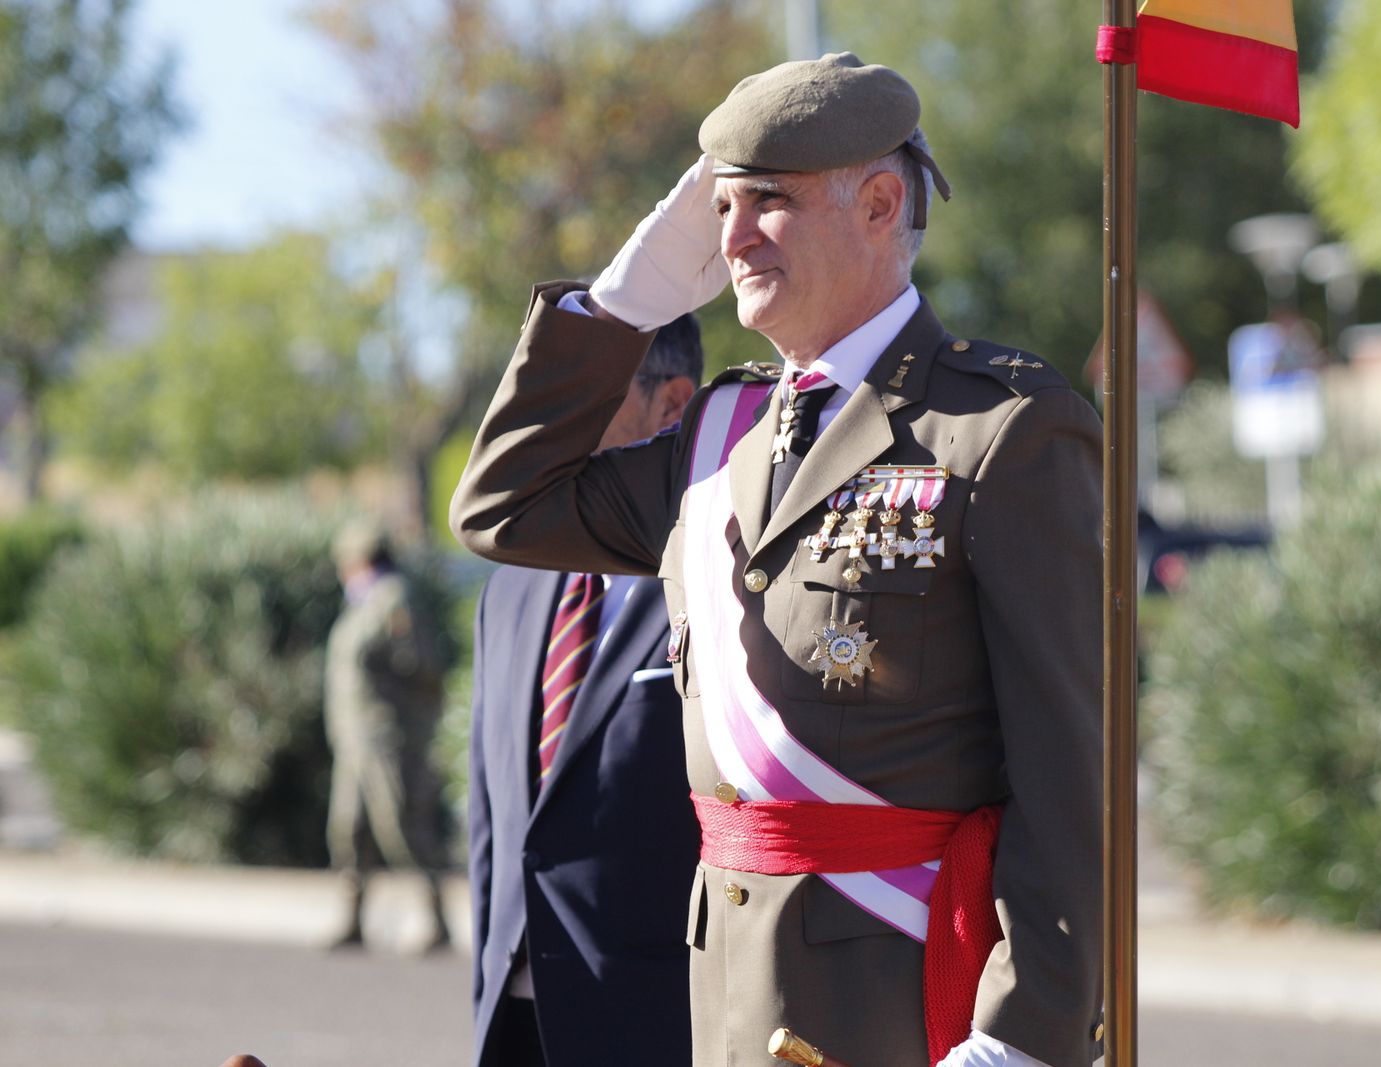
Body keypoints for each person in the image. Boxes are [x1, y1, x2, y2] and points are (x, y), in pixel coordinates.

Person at [451, 52, 1104, 1067]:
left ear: (881, 202)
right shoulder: (721, 433)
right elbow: (504, 506)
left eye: (770, 201)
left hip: (902, 996)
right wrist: (622, 302)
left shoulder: (998, 429)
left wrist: (1020, 1038)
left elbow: (1070, 773)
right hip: (723, 1001)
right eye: (720, 207)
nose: (734, 236)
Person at [469, 315, 704, 1067]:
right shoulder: (508, 588)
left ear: (672, 404)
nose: (551, 422)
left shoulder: (721, 576)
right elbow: (492, 825)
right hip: (511, 1023)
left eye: (585, 395)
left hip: (656, 1021)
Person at [324, 520, 449, 951]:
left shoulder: (393, 598)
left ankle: (434, 920)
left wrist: (411, 724)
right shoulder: (363, 602)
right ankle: (353, 919)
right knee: (349, 829)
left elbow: (422, 666)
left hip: (386, 737)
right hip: (354, 740)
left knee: (400, 826)